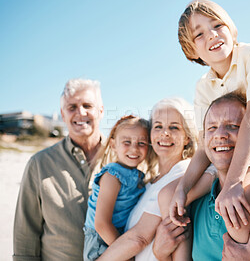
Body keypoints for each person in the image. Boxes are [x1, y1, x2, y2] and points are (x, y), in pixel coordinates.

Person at [170, 0, 250, 230]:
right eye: (199, 34)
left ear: (230, 28)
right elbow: (204, 145)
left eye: (217, 25)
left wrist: (233, 181)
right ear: (192, 50)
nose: (211, 35)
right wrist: (183, 187)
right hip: (232, 155)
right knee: (169, 196)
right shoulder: (203, 87)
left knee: (236, 206)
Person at [155, 91, 250, 261]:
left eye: (233, 126)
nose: (220, 134)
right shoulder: (195, 204)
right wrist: (160, 254)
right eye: (212, 128)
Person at [97, 97, 201, 261]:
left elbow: (138, 238)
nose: (164, 133)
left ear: (187, 137)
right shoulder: (148, 182)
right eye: (158, 126)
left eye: (174, 127)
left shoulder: (182, 172)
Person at [13, 79, 104, 260]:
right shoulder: (39, 164)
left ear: (101, 111)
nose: (80, 112)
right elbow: (25, 233)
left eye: (87, 105)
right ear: (62, 115)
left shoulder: (125, 157)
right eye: (72, 107)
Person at [83, 115, 157, 260]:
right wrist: (125, 252)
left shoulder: (138, 176)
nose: (134, 148)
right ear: (113, 145)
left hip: (119, 235)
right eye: (127, 142)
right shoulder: (112, 176)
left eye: (141, 143)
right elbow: (101, 224)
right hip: (101, 240)